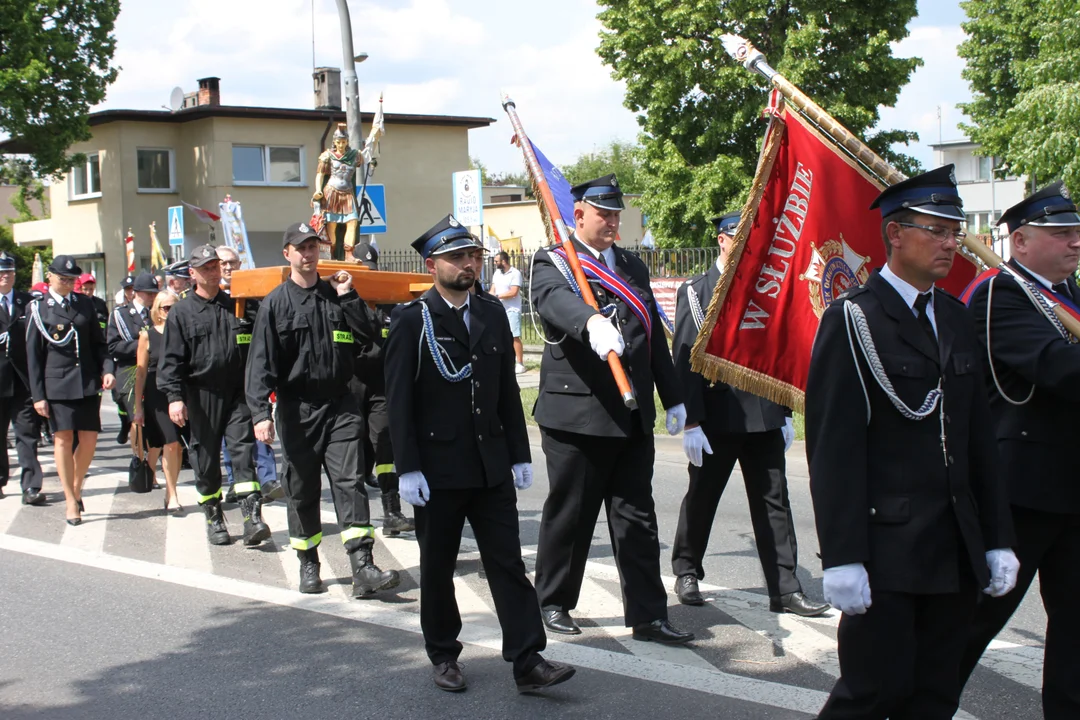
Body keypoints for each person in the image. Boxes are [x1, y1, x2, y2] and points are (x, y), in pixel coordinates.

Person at [805, 165, 1019, 719]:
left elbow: (978, 441)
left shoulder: (953, 315)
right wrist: (844, 556)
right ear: (895, 234)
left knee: (935, 696)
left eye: (956, 230)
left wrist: (996, 537)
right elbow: (834, 449)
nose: (953, 243)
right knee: (872, 693)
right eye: (938, 230)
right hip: (888, 548)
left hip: (954, 547)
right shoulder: (854, 319)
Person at [384, 214, 575, 693]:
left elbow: (505, 392)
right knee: (439, 565)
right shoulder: (411, 321)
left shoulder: (490, 313)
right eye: (457, 258)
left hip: (490, 465)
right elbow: (399, 402)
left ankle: (528, 659)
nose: (468, 264)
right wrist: (406, 467)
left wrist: (519, 452)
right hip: (438, 469)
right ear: (432, 265)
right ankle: (444, 654)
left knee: (507, 562)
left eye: (472, 256)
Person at [529, 174, 691, 644]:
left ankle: (648, 615)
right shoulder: (555, 262)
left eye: (617, 213)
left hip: (630, 412)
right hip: (578, 414)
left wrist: (674, 395)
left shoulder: (632, 268)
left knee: (637, 518)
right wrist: (590, 322)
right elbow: (554, 302)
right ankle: (554, 601)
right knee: (572, 514)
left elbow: (650, 336)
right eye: (604, 213)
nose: (613, 221)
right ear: (578, 214)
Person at [958, 181, 1080, 718]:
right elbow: (1057, 369)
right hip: (1022, 492)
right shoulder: (999, 293)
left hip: (1072, 490)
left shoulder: (1069, 295)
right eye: (1061, 234)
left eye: (1077, 232)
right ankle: (919, 703)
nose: (1075, 242)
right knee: (976, 620)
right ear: (1022, 241)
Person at [671, 212, 828, 617]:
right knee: (702, 497)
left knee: (774, 502)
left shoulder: (764, 289)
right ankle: (687, 569)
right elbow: (686, 358)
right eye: (735, 236)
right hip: (716, 416)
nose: (742, 243)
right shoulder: (695, 290)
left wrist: (786, 409)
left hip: (761, 413)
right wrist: (690, 421)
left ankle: (785, 589)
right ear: (721, 240)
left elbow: (780, 351)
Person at [247, 222, 399, 597]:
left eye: (313, 246)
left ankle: (362, 565)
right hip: (297, 409)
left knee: (350, 483)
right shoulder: (275, 304)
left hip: (341, 404)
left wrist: (349, 296)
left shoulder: (337, 296)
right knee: (302, 488)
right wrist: (260, 415)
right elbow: (260, 363)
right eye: (300, 248)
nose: (308, 254)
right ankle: (308, 562)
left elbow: (368, 335)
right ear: (288, 254)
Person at [158, 245, 269, 547]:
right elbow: (170, 361)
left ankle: (252, 518)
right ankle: (213, 515)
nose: (211, 271)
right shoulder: (181, 312)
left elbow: (262, 340)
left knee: (243, 452)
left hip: (237, 393)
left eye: (215, 266)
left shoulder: (237, 303)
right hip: (201, 395)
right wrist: (174, 397)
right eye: (205, 267)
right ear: (192, 273)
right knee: (205, 459)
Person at [26, 255, 115, 526]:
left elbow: (99, 344)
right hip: (57, 384)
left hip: (87, 381)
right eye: (62, 278)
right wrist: (38, 395)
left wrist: (107, 368)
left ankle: (75, 489)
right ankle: (69, 499)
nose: (67, 283)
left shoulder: (85, 304)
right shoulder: (39, 309)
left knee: (89, 439)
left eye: (71, 279)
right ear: (50, 278)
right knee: (63, 438)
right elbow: (33, 356)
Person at [350, 240, 414, 534]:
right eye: (363, 271)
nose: (369, 275)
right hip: (350, 385)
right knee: (354, 449)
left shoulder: (390, 302)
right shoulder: (343, 301)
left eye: (372, 270)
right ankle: (354, 515)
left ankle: (392, 511)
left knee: (385, 445)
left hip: (381, 385)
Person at [217, 244, 282, 502]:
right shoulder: (213, 300)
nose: (228, 268)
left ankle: (268, 480)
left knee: (261, 424)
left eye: (232, 263)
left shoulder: (253, 300)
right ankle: (236, 480)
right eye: (223, 263)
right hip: (223, 378)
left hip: (251, 375)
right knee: (231, 436)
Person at [132, 278, 184, 513]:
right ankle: (172, 494)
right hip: (156, 394)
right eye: (166, 308)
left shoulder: (183, 332)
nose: (171, 312)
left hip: (181, 393)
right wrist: (138, 408)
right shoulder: (148, 335)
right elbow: (140, 374)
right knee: (170, 443)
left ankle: (169, 489)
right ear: (158, 312)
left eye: (175, 307)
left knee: (178, 447)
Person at [0, 253, 45, 506]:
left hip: (23, 380)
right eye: (1, 272)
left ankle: (31, 486)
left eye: (9, 271)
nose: (5, 276)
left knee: (27, 434)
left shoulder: (27, 301)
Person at [107, 274, 153, 446]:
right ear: (137, 293)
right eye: (148, 293)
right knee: (137, 420)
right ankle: (139, 459)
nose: (152, 297)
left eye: (154, 293)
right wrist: (143, 345)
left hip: (153, 373)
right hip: (130, 372)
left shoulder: (156, 312)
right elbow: (113, 346)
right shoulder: (120, 315)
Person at [490, 251, 526, 374]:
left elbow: (513, 292)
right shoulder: (497, 273)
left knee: (514, 336)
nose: (495, 263)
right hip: (498, 309)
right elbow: (492, 289)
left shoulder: (515, 273)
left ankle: (520, 363)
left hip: (512, 310)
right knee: (498, 336)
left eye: (496, 261)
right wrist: (489, 298)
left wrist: (496, 296)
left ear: (503, 261)